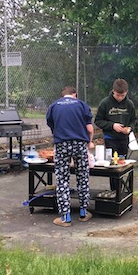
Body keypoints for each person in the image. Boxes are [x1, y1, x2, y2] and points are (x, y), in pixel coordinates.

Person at [46, 86, 94, 227]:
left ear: (62, 96)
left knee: (62, 179)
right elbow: (89, 128)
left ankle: (65, 217)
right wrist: (89, 141)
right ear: (75, 94)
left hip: (62, 144)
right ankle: (84, 212)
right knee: (82, 176)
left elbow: (52, 125)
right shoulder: (81, 105)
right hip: (79, 144)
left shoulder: (54, 106)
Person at [94, 78, 137, 157]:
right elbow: (98, 121)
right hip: (110, 138)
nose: (120, 98)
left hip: (124, 139)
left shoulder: (130, 104)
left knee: (122, 161)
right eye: (117, 95)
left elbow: (133, 121)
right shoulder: (105, 103)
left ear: (126, 92)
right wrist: (112, 125)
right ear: (113, 91)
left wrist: (130, 128)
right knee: (112, 160)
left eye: (122, 95)